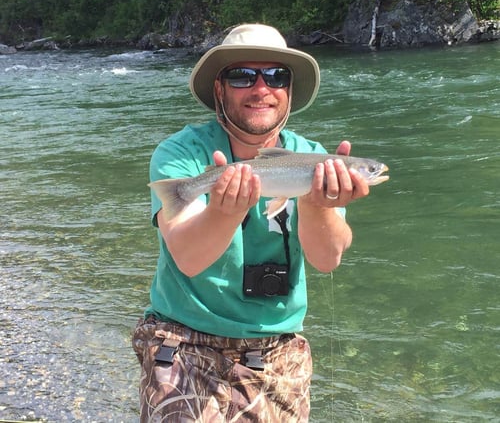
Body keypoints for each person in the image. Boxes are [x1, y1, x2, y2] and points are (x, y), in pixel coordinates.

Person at [132, 24, 370, 422]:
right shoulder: (181, 155)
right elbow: (188, 259)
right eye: (243, 76)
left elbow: (327, 259)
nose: (261, 88)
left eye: (276, 75)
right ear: (220, 90)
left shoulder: (314, 159)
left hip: (277, 345)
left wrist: (317, 205)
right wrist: (224, 211)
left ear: (289, 90)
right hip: (184, 337)